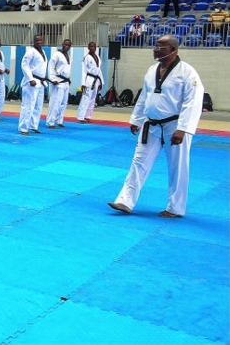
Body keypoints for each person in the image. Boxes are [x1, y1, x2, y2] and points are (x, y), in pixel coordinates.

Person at [108, 35, 203, 218]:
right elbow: (144, 96)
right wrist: (136, 119)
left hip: (175, 125)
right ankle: (125, 200)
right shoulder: (152, 70)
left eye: (161, 47)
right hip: (151, 125)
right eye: (155, 46)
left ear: (174, 49)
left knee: (178, 167)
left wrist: (183, 128)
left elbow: (193, 102)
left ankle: (175, 208)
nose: (156, 50)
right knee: (139, 162)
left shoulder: (187, 73)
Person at [18, 35, 47, 136]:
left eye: (40, 40)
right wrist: (30, 79)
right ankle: (23, 127)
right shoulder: (31, 51)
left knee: (38, 106)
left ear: (43, 41)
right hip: (32, 81)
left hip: (40, 81)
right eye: (37, 40)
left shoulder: (42, 52)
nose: (39, 42)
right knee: (28, 105)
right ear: (33, 41)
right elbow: (24, 65)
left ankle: (33, 125)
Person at [44, 39, 72, 129]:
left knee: (63, 103)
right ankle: (50, 121)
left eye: (68, 45)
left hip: (66, 82)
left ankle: (59, 120)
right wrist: (52, 79)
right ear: (62, 44)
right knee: (55, 102)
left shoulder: (68, 56)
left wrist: (69, 79)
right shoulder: (57, 54)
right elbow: (51, 66)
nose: (66, 46)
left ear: (70, 47)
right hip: (58, 81)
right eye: (65, 44)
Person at [77, 41, 102, 124]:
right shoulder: (86, 57)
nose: (92, 48)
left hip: (96, 80)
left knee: (93, 98)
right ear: (88, 48)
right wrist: (83, 83)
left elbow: (99, 70)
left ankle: (87, 116)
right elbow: (83, 71)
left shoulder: (97, 57)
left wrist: (101, 81)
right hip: (89, 79)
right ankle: (81, 116)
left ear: (95, 48)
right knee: (86, 98)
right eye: (90, 46)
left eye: (93, 46)